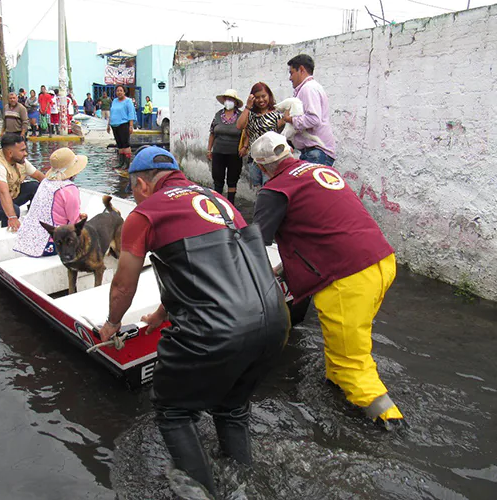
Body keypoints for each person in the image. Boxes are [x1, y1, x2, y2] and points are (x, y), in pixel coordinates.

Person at [98, 146, 289, 497]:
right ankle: (241, 481)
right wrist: (161, 314)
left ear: (141, 184)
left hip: (220, 329)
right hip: (274, 320)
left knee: (172, 410)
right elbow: (209, 269)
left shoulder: (146, 214)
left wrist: (111, 324)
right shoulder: (219, 201)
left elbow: (124, 284)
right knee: (232, 408)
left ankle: (204, 492)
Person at [250, 132, 404, 430]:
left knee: (353, 360)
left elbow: (254, 244)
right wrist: (283, 269)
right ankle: (335, 384)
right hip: (380, 261)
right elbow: (322, 227)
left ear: (262, 166)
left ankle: (391, 425)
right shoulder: (320, 171)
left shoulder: (275, 190)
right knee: (343, 339)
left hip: (347, 278)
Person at [14, 147, 87, 257]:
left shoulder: (45, 182)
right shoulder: (69, 189)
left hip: (27, 240)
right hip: (50, 245)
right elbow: (75, 223)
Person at [0, 134, 46, 231]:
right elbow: (3, 193)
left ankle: (36, 221)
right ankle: (7, 234)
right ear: (10, 153)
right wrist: (12, 217)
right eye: (22, 150)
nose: (25, 153)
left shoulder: (20, 161)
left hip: (11, 195)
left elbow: (40, 177)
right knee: (14, 210)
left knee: (35, 187)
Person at [284, 54, 337, 166]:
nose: (290, 78)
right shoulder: (309, 87)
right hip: (314, 152)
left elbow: (313, 119)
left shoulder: (308, 88)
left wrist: (290, 119)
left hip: (316, 152)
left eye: (291, 73)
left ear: (301, 69)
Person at [236, 82, 283, 191]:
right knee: (258, 189)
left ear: (269, 96)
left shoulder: (277, 114)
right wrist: (247, 107)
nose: (261, 100)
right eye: (257, 97)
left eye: (263, 96)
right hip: (254, 160)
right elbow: (239, 126)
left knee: (268, 188)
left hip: (271, 159)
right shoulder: (250, 114)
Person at [207, 89, 244, 206]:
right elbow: (212, 132)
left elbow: (246, 132)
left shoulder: (241, 116)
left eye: (231, 99)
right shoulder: (218, 115)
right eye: (227, 99)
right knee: (218, 180)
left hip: (234, 153)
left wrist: (245, 147)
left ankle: (231, 205)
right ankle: (218, 206)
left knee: (232, 181)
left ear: (236, 102)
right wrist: (209, 149)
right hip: (218, 152)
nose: (228, 101)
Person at [106, 85, 135, 168]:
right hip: (114, 125)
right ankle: (121, 162)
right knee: (119, 144)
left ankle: (127, 163)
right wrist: (108, 125)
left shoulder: (128, 101)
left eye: (121, 90)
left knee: (125, 144)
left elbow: (131, 113)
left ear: (124, 92)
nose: (119, 92)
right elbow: (111, 113)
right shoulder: (114, 101)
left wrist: (131, 125)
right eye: (117, 91)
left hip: (124, 124)